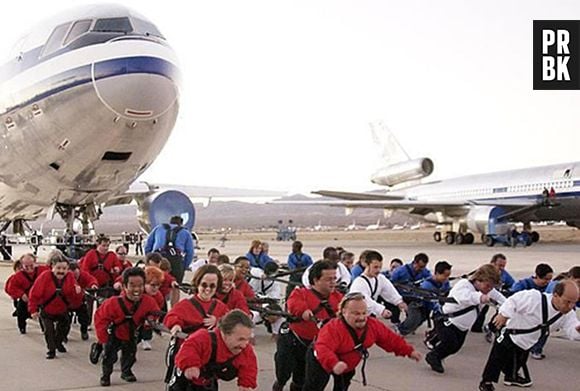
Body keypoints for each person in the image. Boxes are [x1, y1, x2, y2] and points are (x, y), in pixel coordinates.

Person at [304, 292, 422, 390]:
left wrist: (409, 351)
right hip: (321, 360)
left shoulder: (373, 325)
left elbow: (390, 339)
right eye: (356, 313)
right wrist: (333, 363)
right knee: (313, 388)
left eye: (364, 313)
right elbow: (322, 347)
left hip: (346, 365)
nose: (361, 317)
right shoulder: (333, 328)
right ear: (343, 312)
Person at [478, 280, 580, 391]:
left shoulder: (568, 315)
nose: (571, 306)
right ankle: (486, 382)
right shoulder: (534, 298)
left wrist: (578, 331)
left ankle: (511, 377)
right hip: (510, 332)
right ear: (556, 295)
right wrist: (504, 314)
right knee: (497, 358)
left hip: (527, 342)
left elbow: (572, 330)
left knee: (517, 362)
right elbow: (513, 301)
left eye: (574, 302)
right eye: (568, 302)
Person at [273, 260, 343, 391]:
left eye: (334, 278)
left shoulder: (338, 298)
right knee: (283, 371)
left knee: (302, 380)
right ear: (316, 280)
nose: (333, 282)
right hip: (294, 341)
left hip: (317, 346)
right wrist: (304, 311)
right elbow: (293, 303)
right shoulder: (301, 293)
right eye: (329, 279)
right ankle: (279, 385)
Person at [425, 264, 506, 374]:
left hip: (462, 327)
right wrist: (480, 298)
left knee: (456, 347)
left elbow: (502, 300)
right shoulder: (464, 285)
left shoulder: (488, 291)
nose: (489, 289)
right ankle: (433, 356)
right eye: (487, 286)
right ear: (479, 279)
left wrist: (508, 308)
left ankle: (435, 354)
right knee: (450, 343)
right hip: (447, 321)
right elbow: (464, 298)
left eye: (491, 287)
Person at [94, 267, 160, 386]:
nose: (136, 289)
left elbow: (155, 313)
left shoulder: (149, 302)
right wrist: (103, 338)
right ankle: (106, 375)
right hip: (114, 334)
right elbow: (100, 319)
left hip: (131, 334)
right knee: (109, 357)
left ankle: (126, 372)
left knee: (130, 355)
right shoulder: (113, 303)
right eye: (132, 285)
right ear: (124, 286)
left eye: (140, 285)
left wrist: (150, 320)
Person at [173, 310, 258, 390]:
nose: (244, 345)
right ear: (224, 333)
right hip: (185, 383)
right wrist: (190, 366)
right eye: (240, 339)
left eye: (247, 340)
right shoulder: (204, 338)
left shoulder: (245, 350)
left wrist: (246, 384)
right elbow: (188, 348)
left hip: (208, 383)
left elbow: (249, 367)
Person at [28, 251, 83, 359]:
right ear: (52, 267)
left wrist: (78, 292)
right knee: (49, 331)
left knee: (64, 327)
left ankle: (58, 343)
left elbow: (76, 297)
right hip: (47, 310)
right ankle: (51, 350)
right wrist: (33, 310)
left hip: (62, 310)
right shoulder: (44, 277)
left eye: (64, 269)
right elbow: (34, 294)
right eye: (58, 268)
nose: (61, 271)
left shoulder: (70, 277)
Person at [145, 215, 195, 305]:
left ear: (170, 222)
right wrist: (183, 266)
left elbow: (148, 244)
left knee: (155, 282)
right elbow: (190, 252)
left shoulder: (159, 228)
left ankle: (154, 305)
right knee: (176, 286)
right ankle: (174, 309)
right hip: (176, 260)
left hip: (158, 258)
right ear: (181, 224)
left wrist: (149, 260)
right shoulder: (185, 232)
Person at [348, 250, 406, 321]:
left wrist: (399, 302)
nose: (378, 270)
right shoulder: (358, 283)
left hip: (369, 315)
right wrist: (381, 310)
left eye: (380, 267)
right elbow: (365, 301)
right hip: (356, 317)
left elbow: (389, 290)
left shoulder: (380, 278)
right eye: (375, 267)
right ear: (367, 265)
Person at [398, 260, 452, 336]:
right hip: (416, 304)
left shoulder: (445, 283)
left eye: (448, 276)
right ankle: (399, 331)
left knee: (419, 321)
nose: (447, 278)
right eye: (445, 275)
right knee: (413, 320)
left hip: (428, 306)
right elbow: (431, 301)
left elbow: (447, 293)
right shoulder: (427, 285)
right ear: (436, 273)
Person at [5, 253, 50, 334]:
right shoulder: (17, 276)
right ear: (22, 265)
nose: (29, 268)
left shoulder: (44, 270)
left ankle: (45, 328)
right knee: (20, 310)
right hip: (26, 299)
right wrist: (21, 294)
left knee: (45, 313)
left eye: (31, 265)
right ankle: (22, 327)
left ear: (35, 262)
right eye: (26, 266)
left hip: (41, 299)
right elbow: (10, 288)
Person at [472, 253, 515, 333]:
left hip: (494, 294)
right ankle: (475, 326)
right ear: (492, 263)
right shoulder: (484, 272)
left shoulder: (504, 274)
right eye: (499, 265)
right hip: (480, 295)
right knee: (481, 309)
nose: (501, 268)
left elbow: (513, 284)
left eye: (503, 266)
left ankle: (493, 326)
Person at [389, 253, 432, 324]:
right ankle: (396, 322)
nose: (421, 269)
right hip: (399, 295)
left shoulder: (425, 272)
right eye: (420, 266)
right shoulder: (400, 271)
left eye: (423, 267)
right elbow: (390, 285)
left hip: (413, 296)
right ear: (415, 262)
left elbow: (430, 280)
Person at [68, 262, 98, 341]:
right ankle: (63, 335)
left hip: (80, 301)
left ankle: (84, 331)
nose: (75, 277)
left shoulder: (83, 275)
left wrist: (93, 285)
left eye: (76, 275)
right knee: (65, 320)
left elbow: (91, 279)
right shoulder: (65, 277)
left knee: (85, 318)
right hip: (67, 302)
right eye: (73, 275)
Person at [139, 266, 165, 351]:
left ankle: (146, 339)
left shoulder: (159, 296)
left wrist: (154, 319)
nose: (156, 288)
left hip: (149, 315)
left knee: (149, 323)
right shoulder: (138, 292)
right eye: (153, 285)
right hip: (135, 314)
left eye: (158, 285)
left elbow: (158, 310)